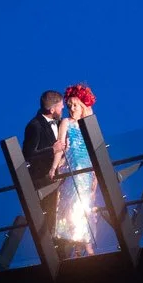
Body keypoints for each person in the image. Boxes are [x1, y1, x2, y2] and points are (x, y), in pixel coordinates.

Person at [55, 83, 99, 257]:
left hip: (88, 171)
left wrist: (95, 174)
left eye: (76, 105)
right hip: (73, 170)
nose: (72, 108)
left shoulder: (88, 124)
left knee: (86, 205)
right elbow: (61, 146)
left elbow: (95, 148)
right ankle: (85, 246)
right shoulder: (66, 122)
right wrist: (55, 166)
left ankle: (82, 247)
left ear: (82, 105)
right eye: (70, 105)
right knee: (73, 206)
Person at [21, 90, 66, 239]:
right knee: (49, 223)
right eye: (61, 106)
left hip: (62, 180)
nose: (63, 109)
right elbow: (28, 155)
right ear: (52, 109)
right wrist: (52, 150)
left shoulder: (61, 123)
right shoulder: (34, 126)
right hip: (44, 183)